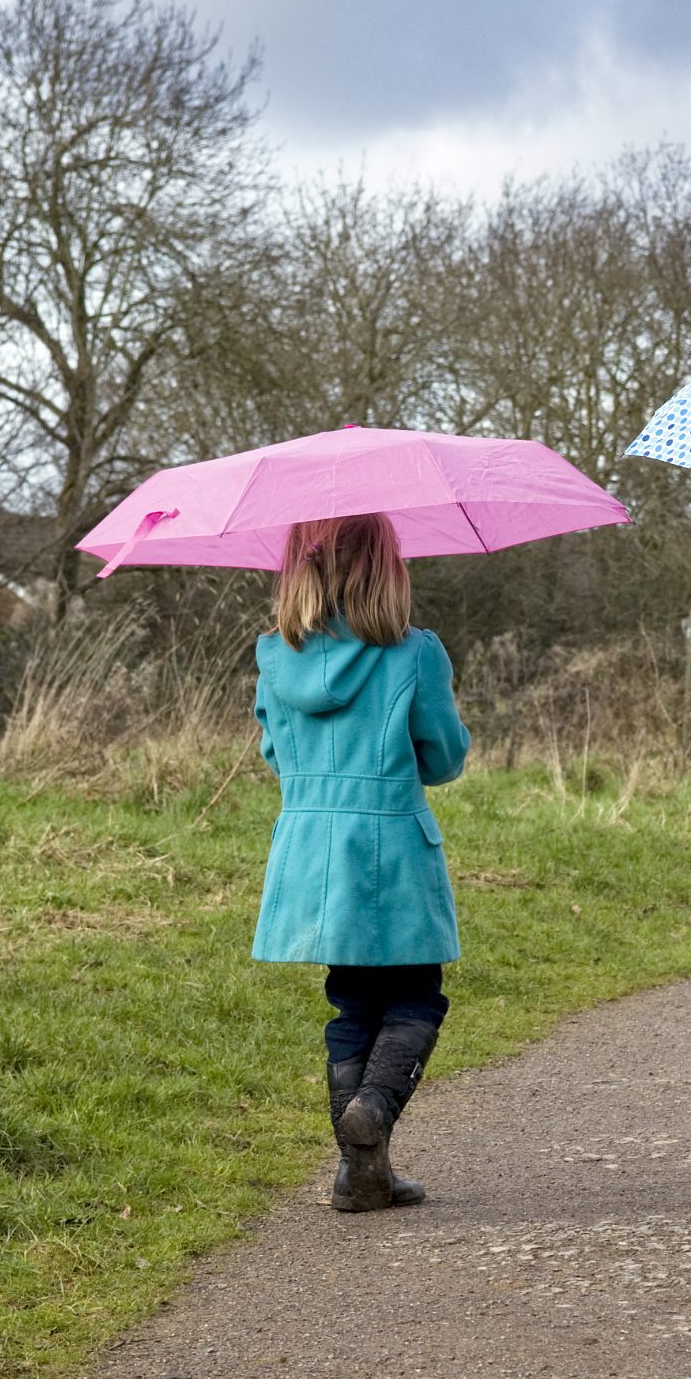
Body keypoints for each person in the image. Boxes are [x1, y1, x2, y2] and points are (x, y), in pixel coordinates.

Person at [252, 514, 470, 1213]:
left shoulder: (273, 655)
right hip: (393, 849)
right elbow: (443, 758)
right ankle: (373, 1107)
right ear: (388, 569)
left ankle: (360, 1175)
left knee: (351, 998)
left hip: (311, 852)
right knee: (414, 993)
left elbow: (275, 756)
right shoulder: (414, 653)